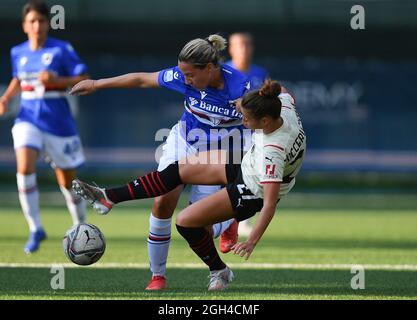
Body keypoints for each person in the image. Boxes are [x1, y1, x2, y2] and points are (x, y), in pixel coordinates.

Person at [72, 80, 306, 291]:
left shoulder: (272, 152)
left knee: (185, 222)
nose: (242, 121)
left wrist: (252, 240)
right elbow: (282, 90)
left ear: (264, 121)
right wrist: (246, 102)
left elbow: (268, 204)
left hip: (252, 189)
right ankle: (109, 196)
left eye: (246, 119)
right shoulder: (281, 106)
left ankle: (219, 269)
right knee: (174, 171)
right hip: (246, 163)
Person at [70, 34, 251, 290]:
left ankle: (228, 223)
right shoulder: (184, 76)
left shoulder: (238, 87)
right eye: (183, 74)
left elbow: (261, 114)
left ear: (210, 69)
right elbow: (141, 79)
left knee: (201, 226)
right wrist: (97, 84)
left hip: (219, 154)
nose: (186, 80)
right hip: (185, 141)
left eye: (191, 75)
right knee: (163, 200)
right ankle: (158, 276)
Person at [0, 0, 89, 254]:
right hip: (28, 118)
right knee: (24, 167)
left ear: (48, 23)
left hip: (58, 122)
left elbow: (84, 79)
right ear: (25, 26)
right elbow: (17, 79)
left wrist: (59, 80)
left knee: (67, 180)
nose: (37, 25)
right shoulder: (18, 52)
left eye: (41, 21)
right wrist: (5, 98)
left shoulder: (62, 50)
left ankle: (80, 226)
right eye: (32, 21)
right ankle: (35, 228)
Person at [226, 32, 269, 236]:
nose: (243, 49)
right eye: (239, 45)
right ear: (231, 49)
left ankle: (241, 220)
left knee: (249, 176)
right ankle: (220, 218)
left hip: (251, 135)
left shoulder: (259, 73)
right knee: (224, 176)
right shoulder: (222, 71)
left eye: (247, 45)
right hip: (225, 134)